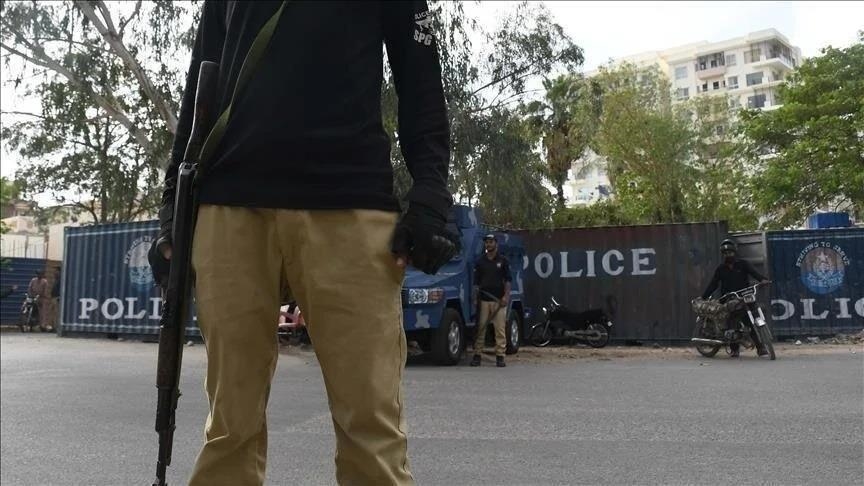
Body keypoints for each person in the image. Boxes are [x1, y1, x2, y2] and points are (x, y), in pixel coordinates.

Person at [148, 2, 456, 485]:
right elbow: (200, 85)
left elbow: (421, 78)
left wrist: (432, 194)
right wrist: (173, 209)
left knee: (370, 430)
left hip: (350, 206)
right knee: (230, 427)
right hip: (230, 207)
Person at [702, 238, 770, 358]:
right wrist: (704, 297)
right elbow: (713, 284)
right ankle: (734, 349)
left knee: (751, 319)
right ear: (723, 254)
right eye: (725, 253)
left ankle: (761, 347)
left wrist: (763, 280)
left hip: (745, 296)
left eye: (730, 252)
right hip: (729, 299)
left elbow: (754, 273)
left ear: (735, 252)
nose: (728, 255)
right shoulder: (720, 269)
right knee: (732, 322)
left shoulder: (743, 264)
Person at [470, 234, 512, 368]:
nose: (488, 244)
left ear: (496, 244)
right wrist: (475, 298)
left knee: (500, 329)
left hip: (499, 300)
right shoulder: (480, 261)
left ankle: (500, 356)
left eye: (491, 242)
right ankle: (477, 355)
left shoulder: (503, 261)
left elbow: (508, 280)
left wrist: (506, 296)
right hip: (483, 300)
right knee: (480, 328)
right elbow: (476, 282)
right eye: (487, 242)